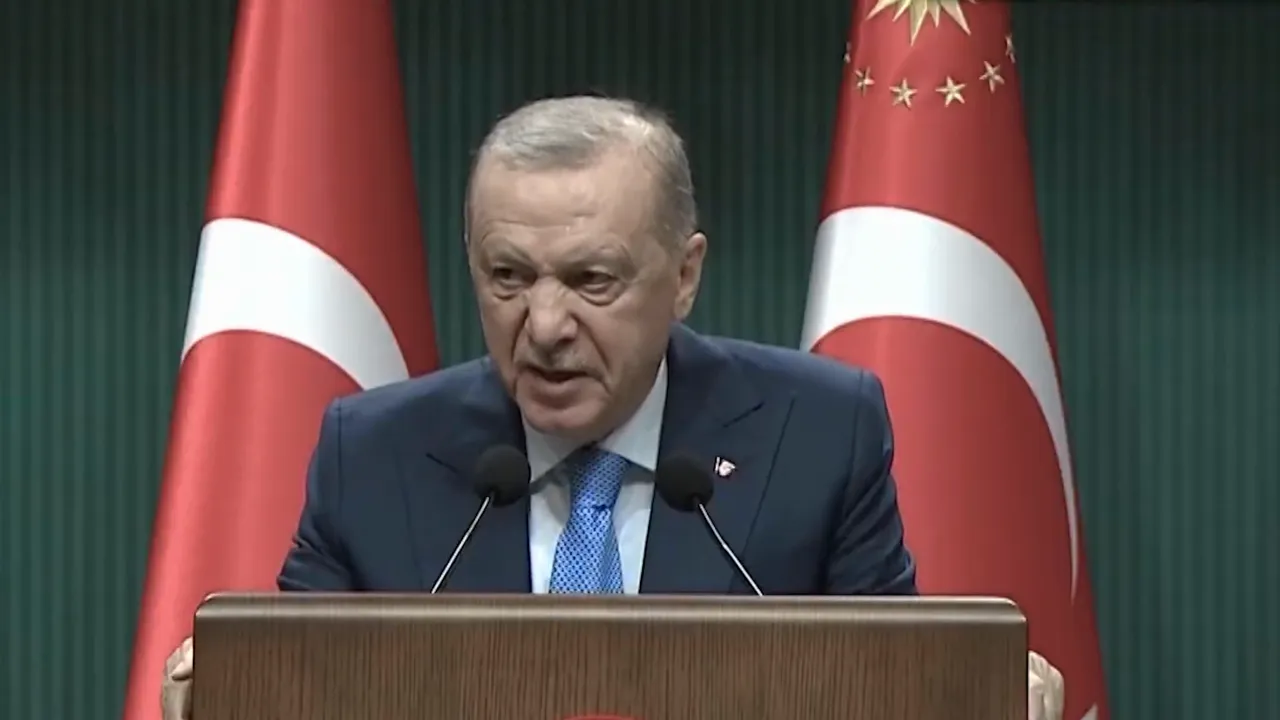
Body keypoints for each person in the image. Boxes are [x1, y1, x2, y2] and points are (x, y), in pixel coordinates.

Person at [160, 95, 1065, 719]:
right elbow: (296, 693)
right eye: (507, 277)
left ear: (684, 275)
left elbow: (891, 696)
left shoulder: (819, 434)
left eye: (591, 280)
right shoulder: (375, 452)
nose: (544, 325)